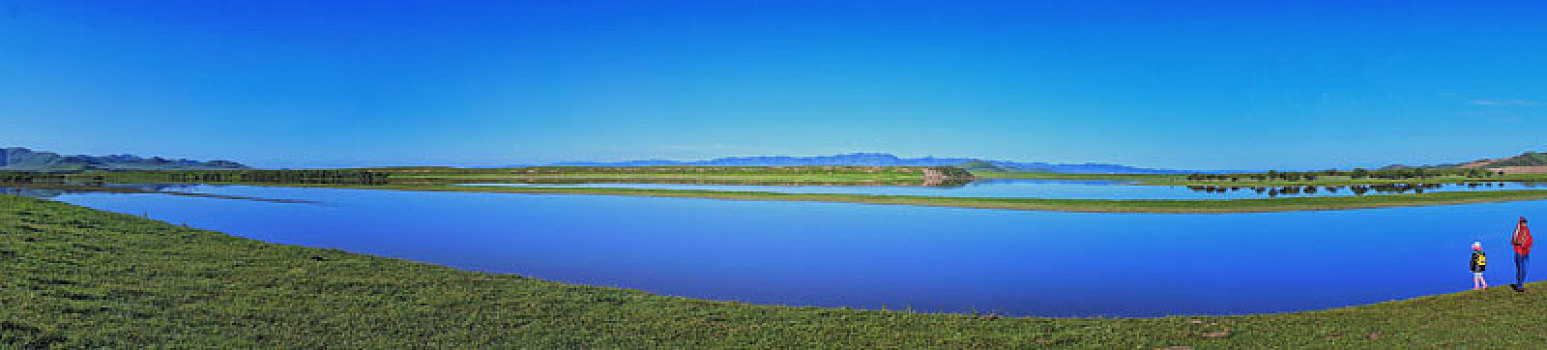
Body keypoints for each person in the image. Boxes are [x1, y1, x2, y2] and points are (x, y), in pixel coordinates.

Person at [1512, 217, 1534, 293]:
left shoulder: (1527, 229)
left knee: (1525, 269)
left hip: (1526, 252)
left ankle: (1520, 284)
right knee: (1520, 269)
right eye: (1523, 222)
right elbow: (1513, 240)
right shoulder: (1517, 230)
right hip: (1519, 252)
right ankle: (1519, 287)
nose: (1524, 223)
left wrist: (1528, 245)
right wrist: (1520, 243)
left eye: (1525, 222)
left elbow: (1530, 238)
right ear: (1520, 222)